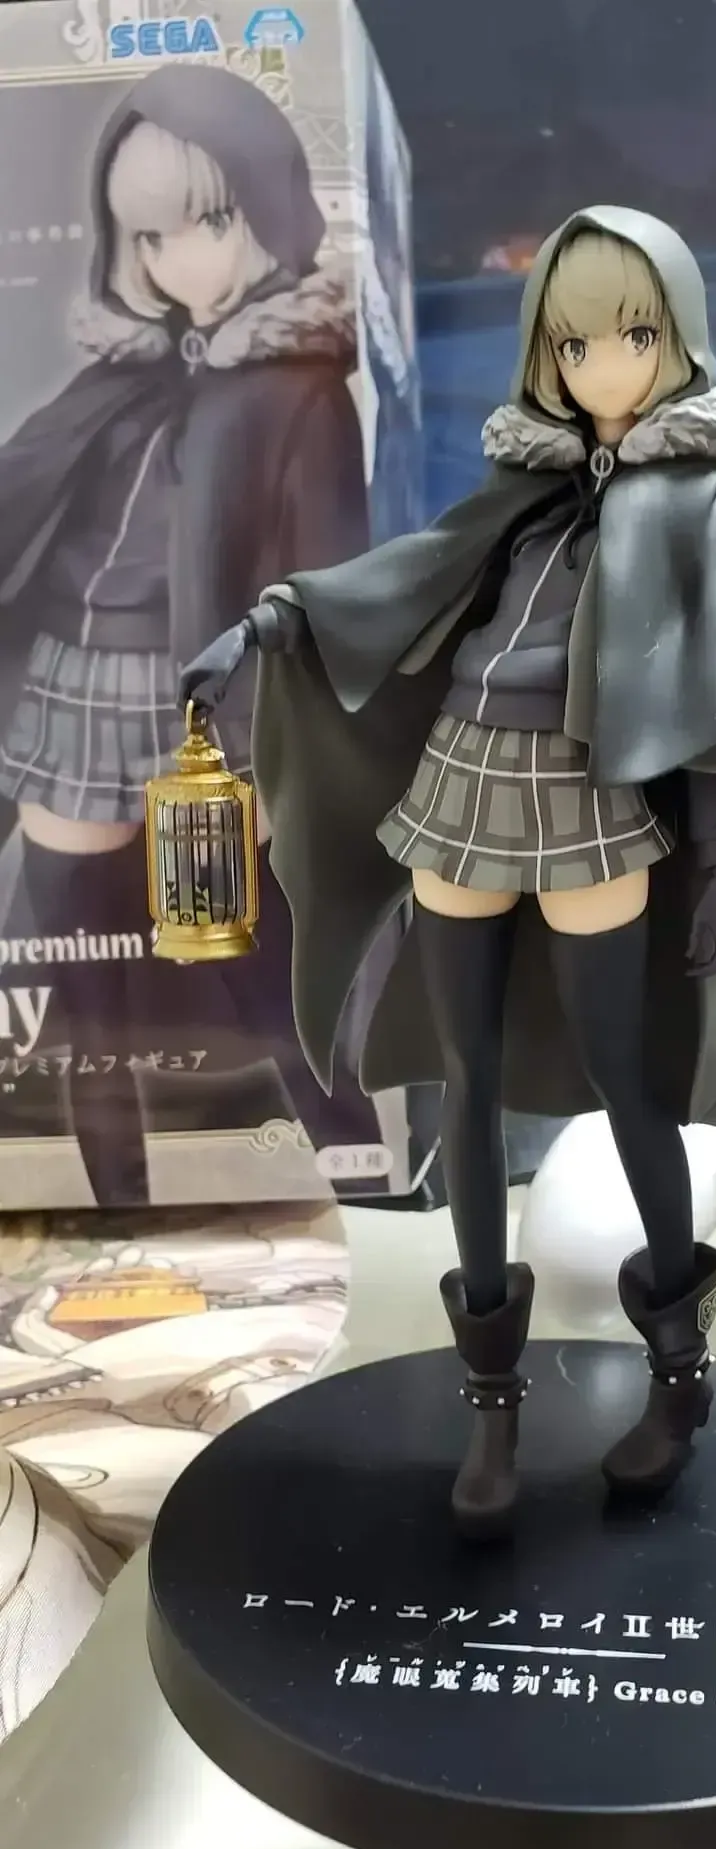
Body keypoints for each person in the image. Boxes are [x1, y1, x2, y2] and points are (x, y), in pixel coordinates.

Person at [180, 205, 716, 1537]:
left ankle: (679, 1374)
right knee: (462, 1085)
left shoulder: (695, 498)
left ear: (676, 337)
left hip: (590, 801)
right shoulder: (528, 488)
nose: (602, 366)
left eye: (631, 336)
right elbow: (416, 576)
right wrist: (277, 619)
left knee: (631, 1089)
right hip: (465, 780)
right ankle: (491, 1400)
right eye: (574, 343)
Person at [0, 65, 374, 1205]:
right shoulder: (129, 377)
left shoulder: (296, 391)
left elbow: (323, 586)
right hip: (71, 687)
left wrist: (277, 756)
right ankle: (116, 1203)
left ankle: (362, 1175)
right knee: (78, 975)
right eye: (149, 236)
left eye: (207, 223)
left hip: (208, 715)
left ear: (265, 209)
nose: (177, 261)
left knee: (254, 966)